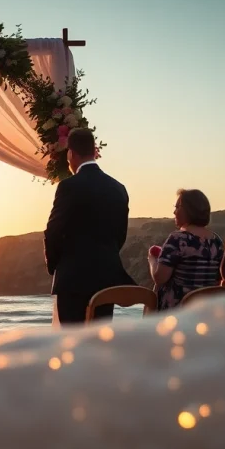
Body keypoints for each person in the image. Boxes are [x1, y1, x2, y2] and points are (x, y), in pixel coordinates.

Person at [43, 128, 134, 324]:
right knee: (99, 342)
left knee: (73, 344)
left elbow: (53, 232)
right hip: (107, 280)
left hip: (73, 280)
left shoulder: (68, 187)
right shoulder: (119, 188)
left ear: (71, 154)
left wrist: (55, 266)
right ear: (94, 151)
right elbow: (120, 235)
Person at [147, 189, 224, 309]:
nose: (174, 212)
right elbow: (218, 278)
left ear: (189, 210)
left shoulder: (178, 239)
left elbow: (160, 278)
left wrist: (152, 260)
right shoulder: (217, 241)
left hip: (178, 311)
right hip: (205, 310)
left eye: (177, 207)